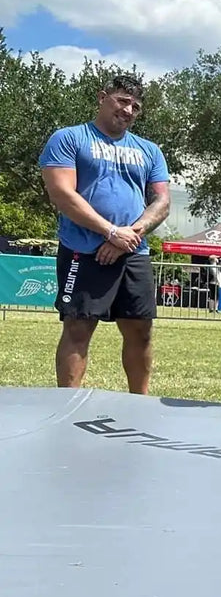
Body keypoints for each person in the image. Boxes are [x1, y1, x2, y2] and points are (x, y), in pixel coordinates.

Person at [39, 73, 170, 395]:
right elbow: (62, 194)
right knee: (79, 327)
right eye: (122, 101)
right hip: (83, 249)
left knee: (141, 330)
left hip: (133, 252)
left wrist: (129, 237)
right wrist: (109, 232)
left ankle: (139, 403)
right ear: (102, 97)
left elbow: (162, 201)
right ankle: (65, 406)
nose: (128, 110)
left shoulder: (149, 150)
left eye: (136, 107)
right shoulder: (69, 138)